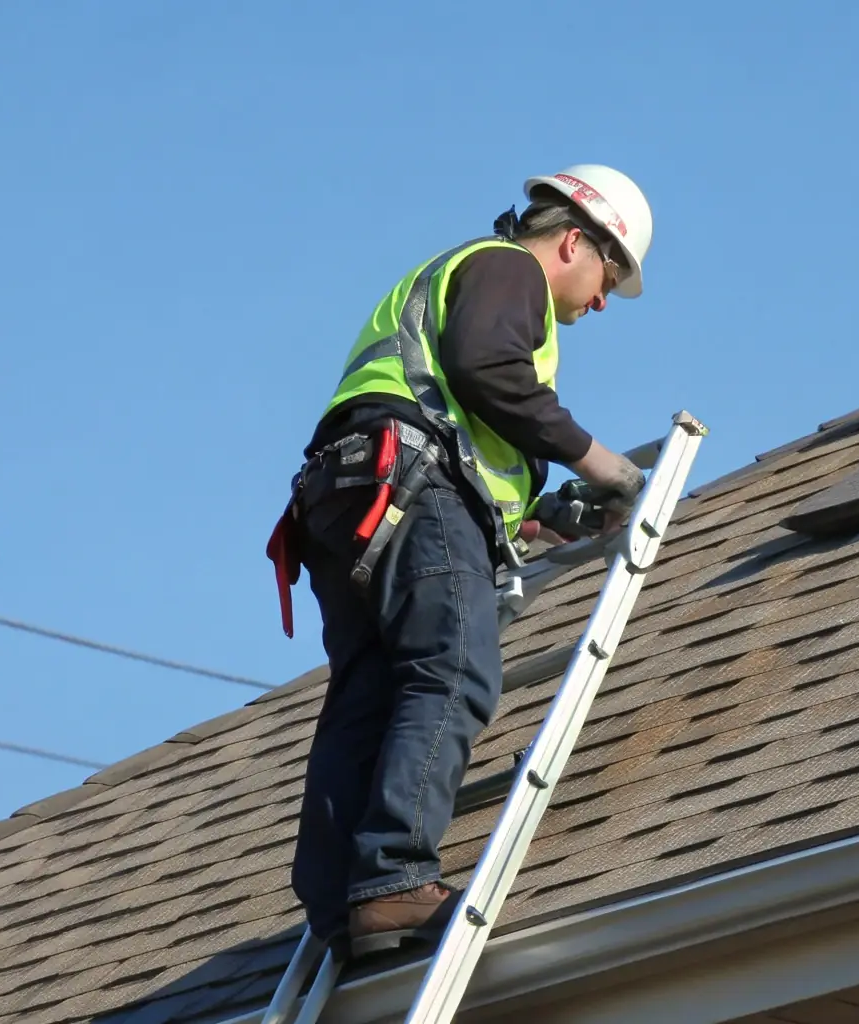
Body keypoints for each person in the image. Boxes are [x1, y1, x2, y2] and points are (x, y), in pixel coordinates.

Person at [270, 164, 654, 960]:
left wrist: (533, 518)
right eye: (607, 276)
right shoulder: (505, 267)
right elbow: (487, 371)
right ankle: (394, 878)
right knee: (453, 669)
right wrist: (604, 465)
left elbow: (458, 412)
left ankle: (342, 903)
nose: (601, 301)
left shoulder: (455, 279)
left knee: (370, 695)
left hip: (353, 494)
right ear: (575, 240)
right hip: (410, 485)